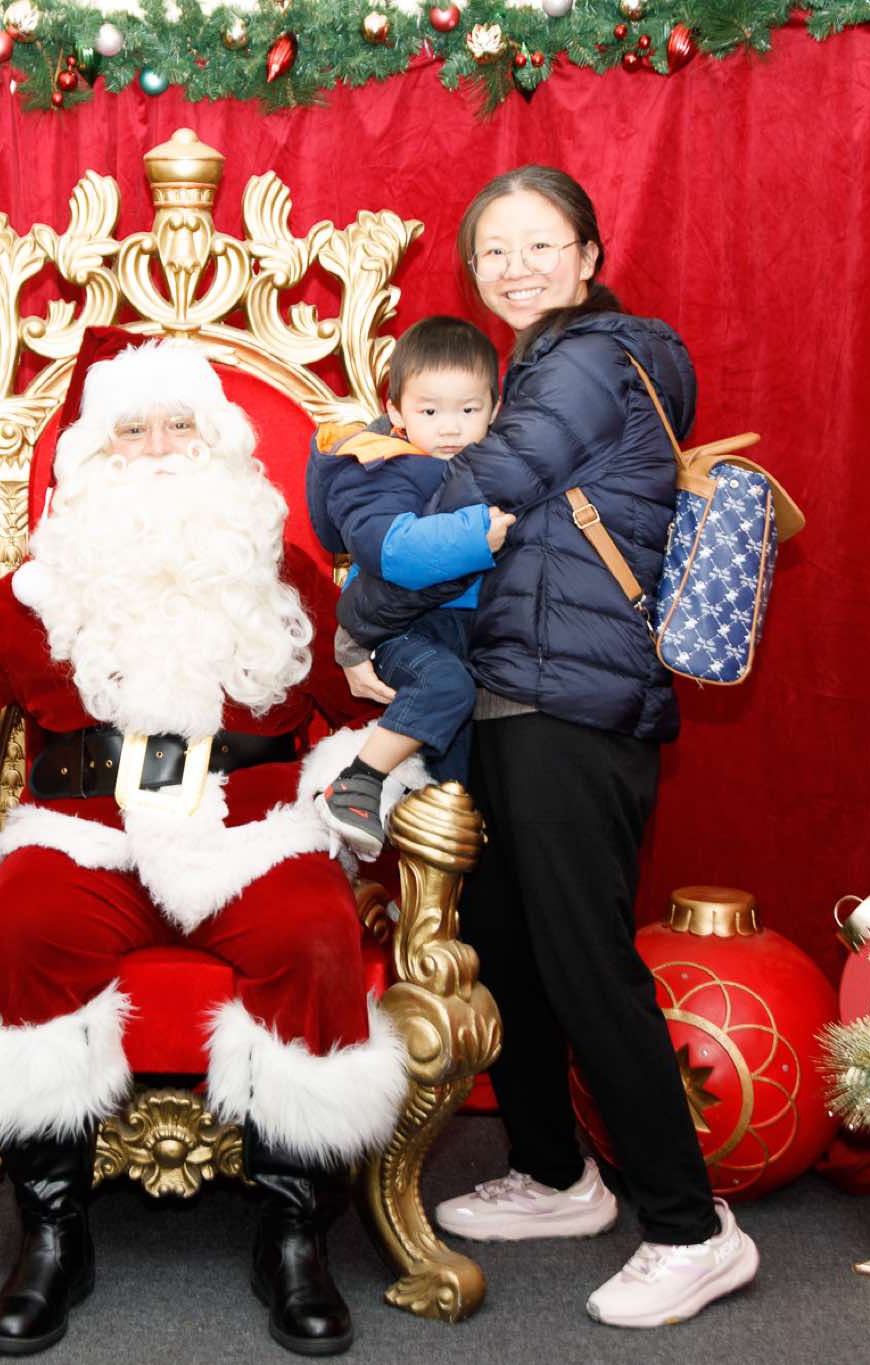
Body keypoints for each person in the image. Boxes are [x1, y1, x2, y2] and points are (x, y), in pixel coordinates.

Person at [0, 338, 419, 1358]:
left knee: (315, 935)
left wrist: (366, 761)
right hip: (83, 837)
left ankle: (293, 1234)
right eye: (130, 430)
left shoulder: (281, 574)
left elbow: (370, 701)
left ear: (219, 443)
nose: (156, 448)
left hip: (252, 838)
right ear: (92, 456)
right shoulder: (44, 583)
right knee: (22, 929)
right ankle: (53, 1236)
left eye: (178, 425)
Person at [335, 166, 760, 1329]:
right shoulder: (536, 365)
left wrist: (360, 589)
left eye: (538, 245)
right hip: (510, 697)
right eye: (493, 251)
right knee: (507, 950)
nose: (514, 268)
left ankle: (690, 1228)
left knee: (581, 962)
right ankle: (555, 1174)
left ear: (587, 256)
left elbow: (477, 488)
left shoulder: (585, 359)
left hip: (573, 703)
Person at [305, 316, 515, 858]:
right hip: (403, 630)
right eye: (429, 411)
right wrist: (474, 535)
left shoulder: (495, 466)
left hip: (467, 631)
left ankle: (436, 880)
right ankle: (357, 782)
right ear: (396, 411)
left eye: (468, 410)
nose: (450, 428)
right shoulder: (380, 466)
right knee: (445, 685)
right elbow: (391, 550)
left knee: (456, 784)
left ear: (494, 409)